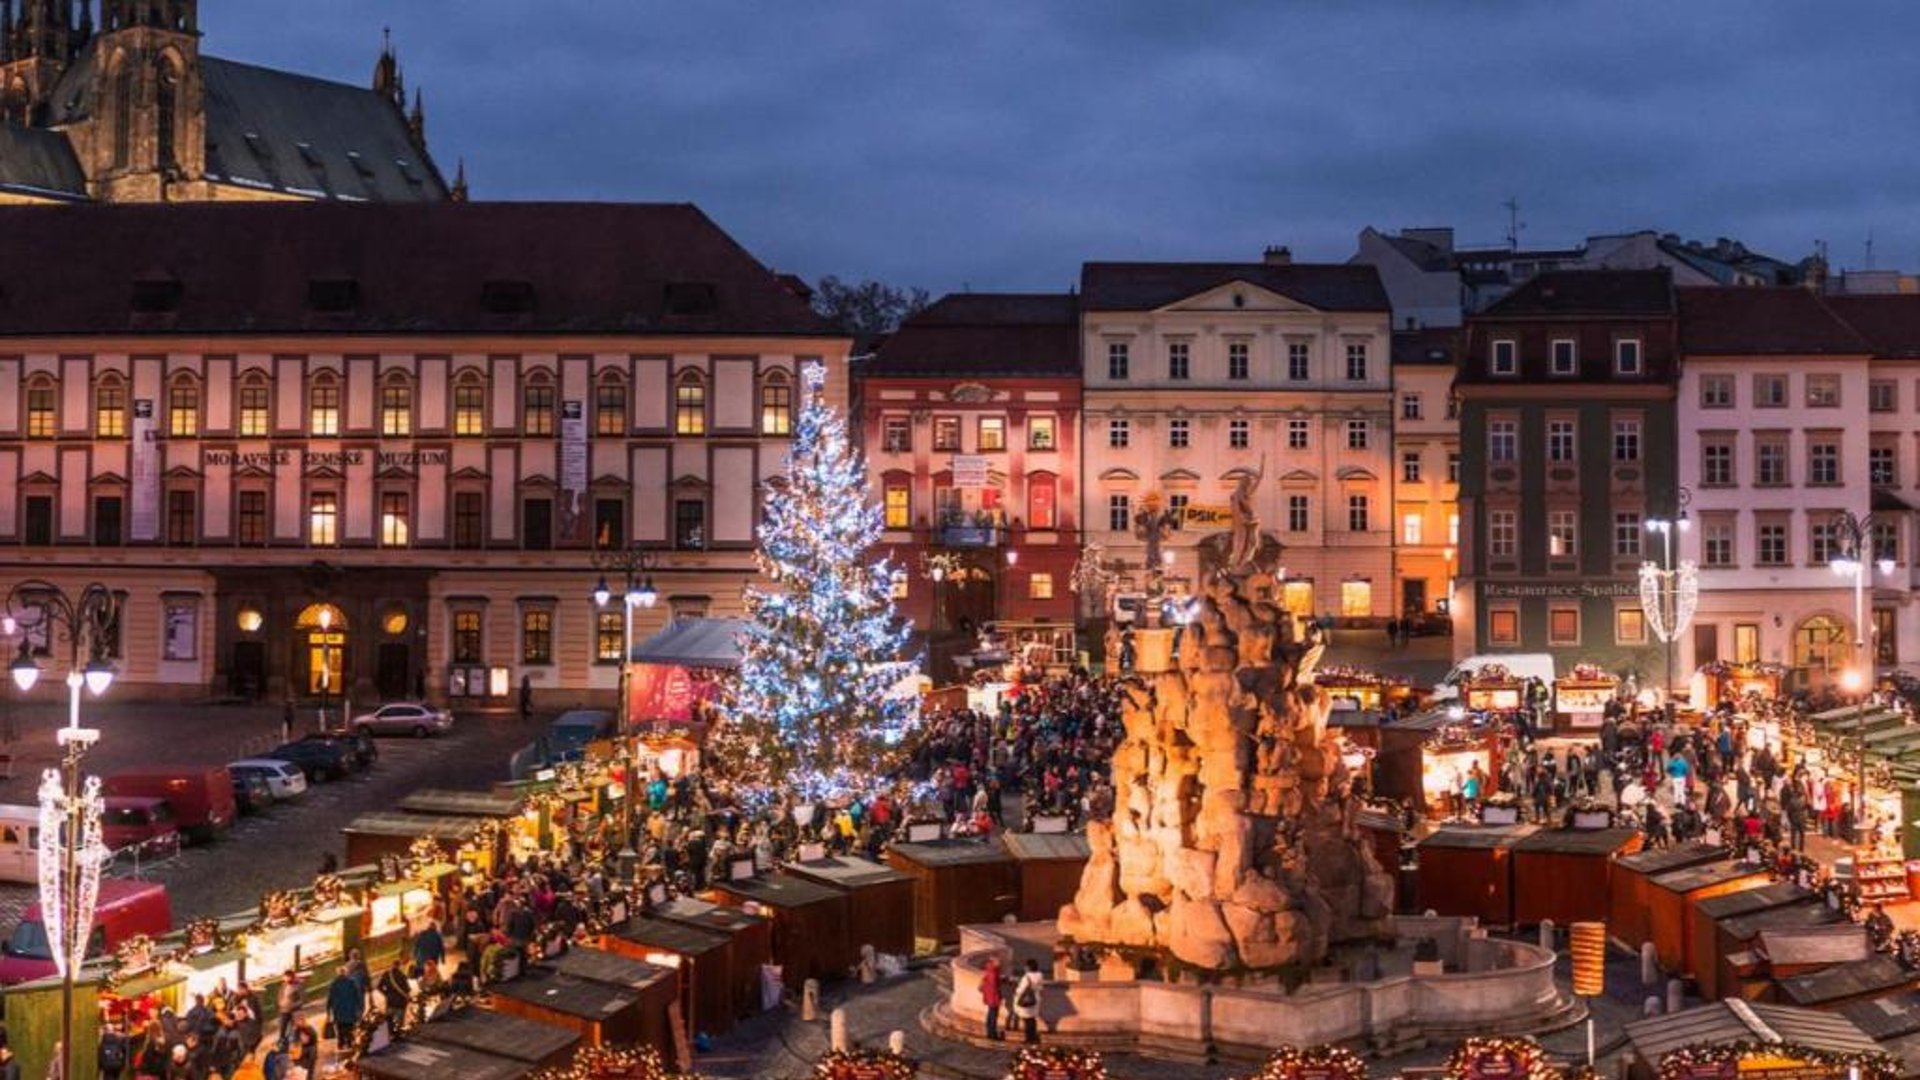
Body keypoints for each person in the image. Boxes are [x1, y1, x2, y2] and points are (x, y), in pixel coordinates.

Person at [325, 968, 364, 1052]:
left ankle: (341, 1044)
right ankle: (350, 1044)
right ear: (345, 973)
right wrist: (359, 1007)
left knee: (340, 1029)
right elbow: (357, 996)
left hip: (338, 1010)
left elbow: (330, 998)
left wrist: (328, 1010)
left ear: (338, 973)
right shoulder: (351, 982)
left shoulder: (334, 984)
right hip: (350, 1010)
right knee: (350, 1028)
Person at [1011, 958, 1044, 1045]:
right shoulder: (1040, 975)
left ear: (1029, 967)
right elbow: (1040, 987)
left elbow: (1021, 989)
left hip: (1026, 1000)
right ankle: (1033, 1036)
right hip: (1035, 999)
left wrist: (1016, 993)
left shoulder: (1027, 977)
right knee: (1032, 1019)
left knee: (1027, 1020)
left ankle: (1029, 1038)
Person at [980, 954, 1005, 1041]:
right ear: (994, 962)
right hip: (993, 997)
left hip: (989, 996)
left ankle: (990, 1032)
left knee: (990, 1014)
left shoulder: (989, 970)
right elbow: (994, 986)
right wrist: (999, 997)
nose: (1000, 963)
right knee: (993, 1015)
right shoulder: (993, 972)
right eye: (998, 961)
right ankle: (992, 1034)